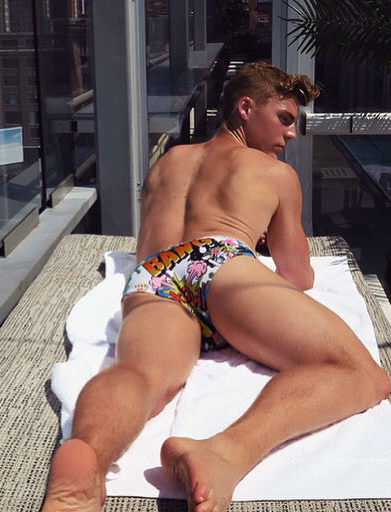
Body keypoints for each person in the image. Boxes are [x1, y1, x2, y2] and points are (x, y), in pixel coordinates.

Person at [42, 62, 390, 512]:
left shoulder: (167, 163)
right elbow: (296, 274)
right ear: (245, 108)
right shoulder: (275, 173)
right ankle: (225, 452)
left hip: (152, 276)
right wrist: (259, 240)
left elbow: (153, 241)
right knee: (361, 374)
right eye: (285, 118)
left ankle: (88, 456)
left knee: (140, 375)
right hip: (219, 260)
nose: (291, 135)